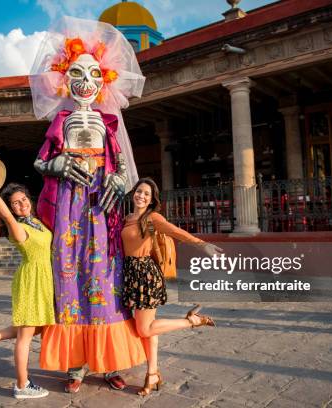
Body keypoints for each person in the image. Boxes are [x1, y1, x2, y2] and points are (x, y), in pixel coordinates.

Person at [28, 16, 146, 393]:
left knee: (103, 277)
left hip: (101, 207)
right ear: (65, 76)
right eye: (78, 73)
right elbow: (40, 161)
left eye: (95, 74)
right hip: (67, 205)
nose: (86, 81)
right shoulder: (60, 122)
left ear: (104, 80)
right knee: (69, 277)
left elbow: (123, 166)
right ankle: (76, 364)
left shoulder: (107, 123)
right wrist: (57, 164)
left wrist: (116, 178)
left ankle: (108, 360)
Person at [121, 177, 216, 396]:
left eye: (146, 194)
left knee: (144, 328)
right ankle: (152, 373)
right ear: (133, 193)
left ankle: (191, 321)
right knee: (149, 328)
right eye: (139, 191)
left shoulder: (152, 217)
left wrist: (202, 245)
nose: (141, 196)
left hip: (145, 275)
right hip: (129, 275)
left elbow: (175, 231)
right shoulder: (127, 218)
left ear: (152, 199)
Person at [0, 173, 55, 399]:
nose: (22, 204)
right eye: (16, 203)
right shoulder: (18, 228)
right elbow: (5, 215)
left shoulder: (36, 222)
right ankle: (22, 384)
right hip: (31, 280)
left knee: (38, 327)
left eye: (24, 199)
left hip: (44, 279)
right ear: (11, 208)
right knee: (26, 335)